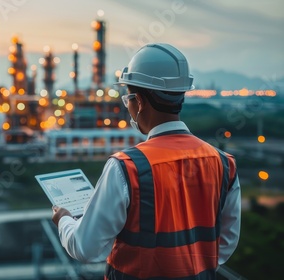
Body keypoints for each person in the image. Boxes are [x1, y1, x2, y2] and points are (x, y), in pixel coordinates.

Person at [52, 43, 241, 279]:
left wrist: (65, 220)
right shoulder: (223, 164)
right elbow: (225, 246)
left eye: (127, 99)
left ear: (139, 101)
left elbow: (85, 247)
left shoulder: (126, 168)